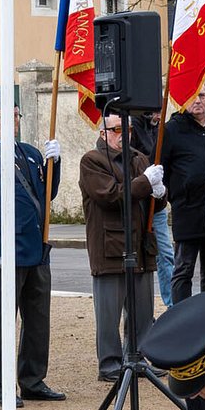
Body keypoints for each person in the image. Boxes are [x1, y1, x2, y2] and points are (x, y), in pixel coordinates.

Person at [0, 92, 66, 406]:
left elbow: (46, 196)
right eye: (5, 116)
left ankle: (32, 380)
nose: (13, 122)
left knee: (37, 321)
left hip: (35, 250)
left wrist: (55, 165)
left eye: (16, 116)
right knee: (1, 323)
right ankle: (1, 385)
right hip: (4, 255)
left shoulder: (31, 153)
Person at [79, 115, 164, 381]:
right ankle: (110, 363)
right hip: (110, 244)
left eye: (126, 129)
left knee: (142, 309)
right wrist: (146, 183)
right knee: (109, 312)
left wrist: (160, 194)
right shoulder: (92, 160)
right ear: (104, 133)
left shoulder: (138, 158)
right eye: (117, 129)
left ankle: (138, 357)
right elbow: (111, 195)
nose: (123, 134)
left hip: (139, 243)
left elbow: (149, 203)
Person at [160, 91, 205, 304]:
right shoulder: (172, 129)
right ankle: (182, 319)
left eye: (202, 95)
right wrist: (179, 193)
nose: (197, 101)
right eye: (191, 96)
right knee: (183, 269)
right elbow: (160, 168)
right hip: (187, 210)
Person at [129, 111, 175, 308]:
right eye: (154, 112)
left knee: (166, 254)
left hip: (156, 204)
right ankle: (139, 307)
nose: (158, 116)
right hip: (136, 204)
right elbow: (149, 154)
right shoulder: (134, 125)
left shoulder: (159, 128)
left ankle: (172, 304)